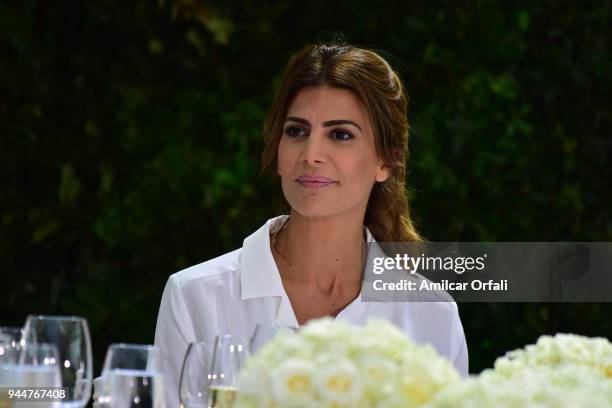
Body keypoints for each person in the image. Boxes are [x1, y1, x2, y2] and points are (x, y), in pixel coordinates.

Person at [154, 42, 468, 406]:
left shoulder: (432, 317)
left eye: (340, 135)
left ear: (386, 160)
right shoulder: (196, 297)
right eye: (296, 131)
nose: (311, 155)